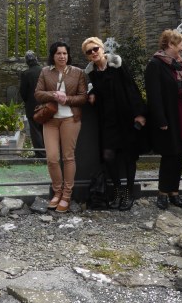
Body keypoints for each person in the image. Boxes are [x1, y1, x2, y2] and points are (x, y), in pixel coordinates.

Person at [82, 37, 146, 211]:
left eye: (95, 49)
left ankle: (129, 193)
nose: (93, 53)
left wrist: (139, 113)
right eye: (89, 51)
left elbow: (131, 87)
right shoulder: (92, 73)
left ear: (102, 49)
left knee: (129, 155)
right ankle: (117, 191)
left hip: (125, 116)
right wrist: (93, 93)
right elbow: (100, 90)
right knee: (108, 155)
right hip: (108, 119)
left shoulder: (117, 65)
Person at [145, 29, 182, 210]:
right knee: (170, 154)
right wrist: (161, 119)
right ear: (170, 45)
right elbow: (154, 95)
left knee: (179, 154)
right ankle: (162, 193)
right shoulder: (155, 64)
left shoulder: (178, 64)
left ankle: (174, 192)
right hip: (168, 117)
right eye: (180, 44)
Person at [34, 41, 87, 212]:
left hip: (70, 119)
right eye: (58, 53)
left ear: (68, 55)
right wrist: (54, 95)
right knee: (52, 158)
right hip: (50, 119)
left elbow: (83, 97)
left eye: (64, 53)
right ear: (53, 56)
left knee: (68, 157)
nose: (62, 56)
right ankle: (57, 192)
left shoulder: (77, 72)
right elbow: (38, 94)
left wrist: (67, 99)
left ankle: (66, 195)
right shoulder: (45, 72)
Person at [19, 50, 45, 159]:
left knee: (35, 131)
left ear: (26, 61)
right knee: (45, 129)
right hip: (45, 105)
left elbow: (23, 92)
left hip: (32, 106)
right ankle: (48, 152)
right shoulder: (44, 71)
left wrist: (28, 101)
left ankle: (40, 154)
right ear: (36, 59)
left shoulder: (26, 74)